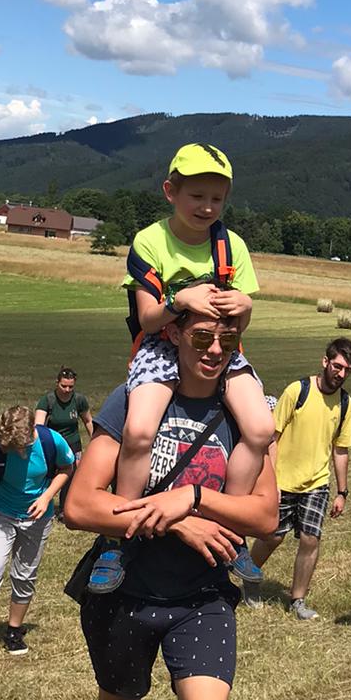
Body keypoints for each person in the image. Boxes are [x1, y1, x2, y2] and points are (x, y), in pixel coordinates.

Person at [63, 310, 278, 700]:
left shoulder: (246, 413)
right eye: (202, 336)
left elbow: (264, 515)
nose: (214, 349)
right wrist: (174, 520)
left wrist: (195, 499)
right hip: (125, 586)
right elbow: (81, 504)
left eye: (228, 339)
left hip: (203, 594)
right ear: (176, 335)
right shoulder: (134, 400)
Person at [88, 143, 274, 593]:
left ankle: (231, 530)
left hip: (219, 343)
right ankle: (117, 537)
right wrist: (178, 300)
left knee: (261, 429)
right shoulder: (150, 241)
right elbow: (148, 317)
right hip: (161, 344)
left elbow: (242, 317)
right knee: (137, 433)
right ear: (171, 191)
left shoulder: (232, 246)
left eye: (217, 198)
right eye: (197, 196)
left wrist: (244, 305)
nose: (208, 207)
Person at [0, 406, 75, 671]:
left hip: (37, 519)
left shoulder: (51, 441)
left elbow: (67, 467)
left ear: (32, 431)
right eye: (11, 448)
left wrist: (46, 497)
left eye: (20, 446)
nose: (17, 452)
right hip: (2, 514)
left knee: (25, 575)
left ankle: (13, 631)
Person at [245, 338, 351, 621]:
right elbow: (274, 436)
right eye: (337, 366)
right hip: (282, 480)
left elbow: (340, 449)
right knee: (273, 537)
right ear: (325, 362)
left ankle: (298, 600)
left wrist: (342, 492)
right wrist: (269, 479)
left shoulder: (345, 403)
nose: (340, 373)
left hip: (316, 483)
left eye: (347, 370)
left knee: (310, 539)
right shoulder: (298, 391)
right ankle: (249, 578)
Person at [35, 367, 94, 463]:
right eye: (64, 386)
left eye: (71, 387)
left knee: (75, 474)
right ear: (57, 383)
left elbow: (88, 421)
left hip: (73, 445)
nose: (67, 390)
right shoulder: (48, 400)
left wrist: (94, 440)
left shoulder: (79, 400)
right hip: (54, 444)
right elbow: (38, 426)